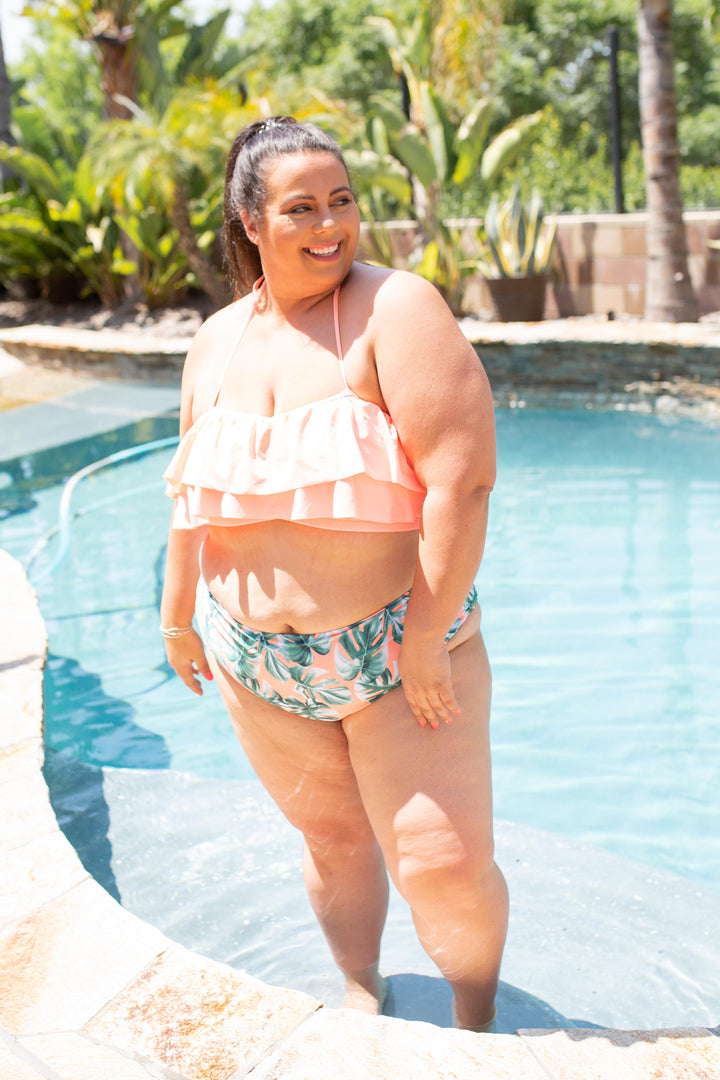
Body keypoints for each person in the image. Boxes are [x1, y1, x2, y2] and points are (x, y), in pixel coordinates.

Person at [160, 115, 508, 1031]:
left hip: (396, 648)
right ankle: (362, 992)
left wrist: (426, 638)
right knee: (331, 840)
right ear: (249, 221)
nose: (330, 225)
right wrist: (177, 618)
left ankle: (478, 1024)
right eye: (302, 207)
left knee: (441, 861)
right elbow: (191, 492)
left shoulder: (397, 308)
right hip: (255, 663)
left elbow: (462, 481)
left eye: (342, 201)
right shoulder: (215, 341)